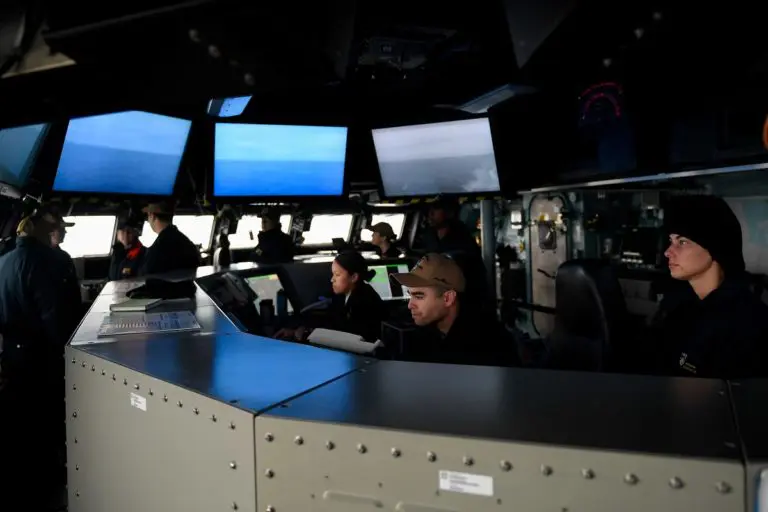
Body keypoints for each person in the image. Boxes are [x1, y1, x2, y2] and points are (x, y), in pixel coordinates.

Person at [649, 195, 768, 379]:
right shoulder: (678, 306)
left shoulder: (747, 324)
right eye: (671, 241)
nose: (668, 252)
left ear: (714, 247)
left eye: (682, 242)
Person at [0, 211, 68, 509]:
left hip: (13, 357)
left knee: (21, 426)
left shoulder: (3, 261)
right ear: (43, 230)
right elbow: (55, 318)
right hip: (43, 360)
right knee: (45, 427)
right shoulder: (47, 262)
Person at [392, 253, 517, 366]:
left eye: (419, 296)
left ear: (448, 298)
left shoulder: (491, 344)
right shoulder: (422, 336)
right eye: (410, 295)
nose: (410, 305)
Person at [275, 251, 386, 342]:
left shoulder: (364, 302)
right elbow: (332, 320)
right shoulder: (342, 296)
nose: (332, 279)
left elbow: (346, 336)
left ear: (354, 277)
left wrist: (307, 333)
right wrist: (300, 329)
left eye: (337, 275)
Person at [419, 198, 490, 305]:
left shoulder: (462, 238)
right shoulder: (428, 237)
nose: (430, 214)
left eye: (436, 209)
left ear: (449, 212)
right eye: (429, 209)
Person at [140, 202, 200, 275]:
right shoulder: (187, 244)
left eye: (148, 216)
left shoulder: (157, 249)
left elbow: (146, 274)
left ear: (152, 216)